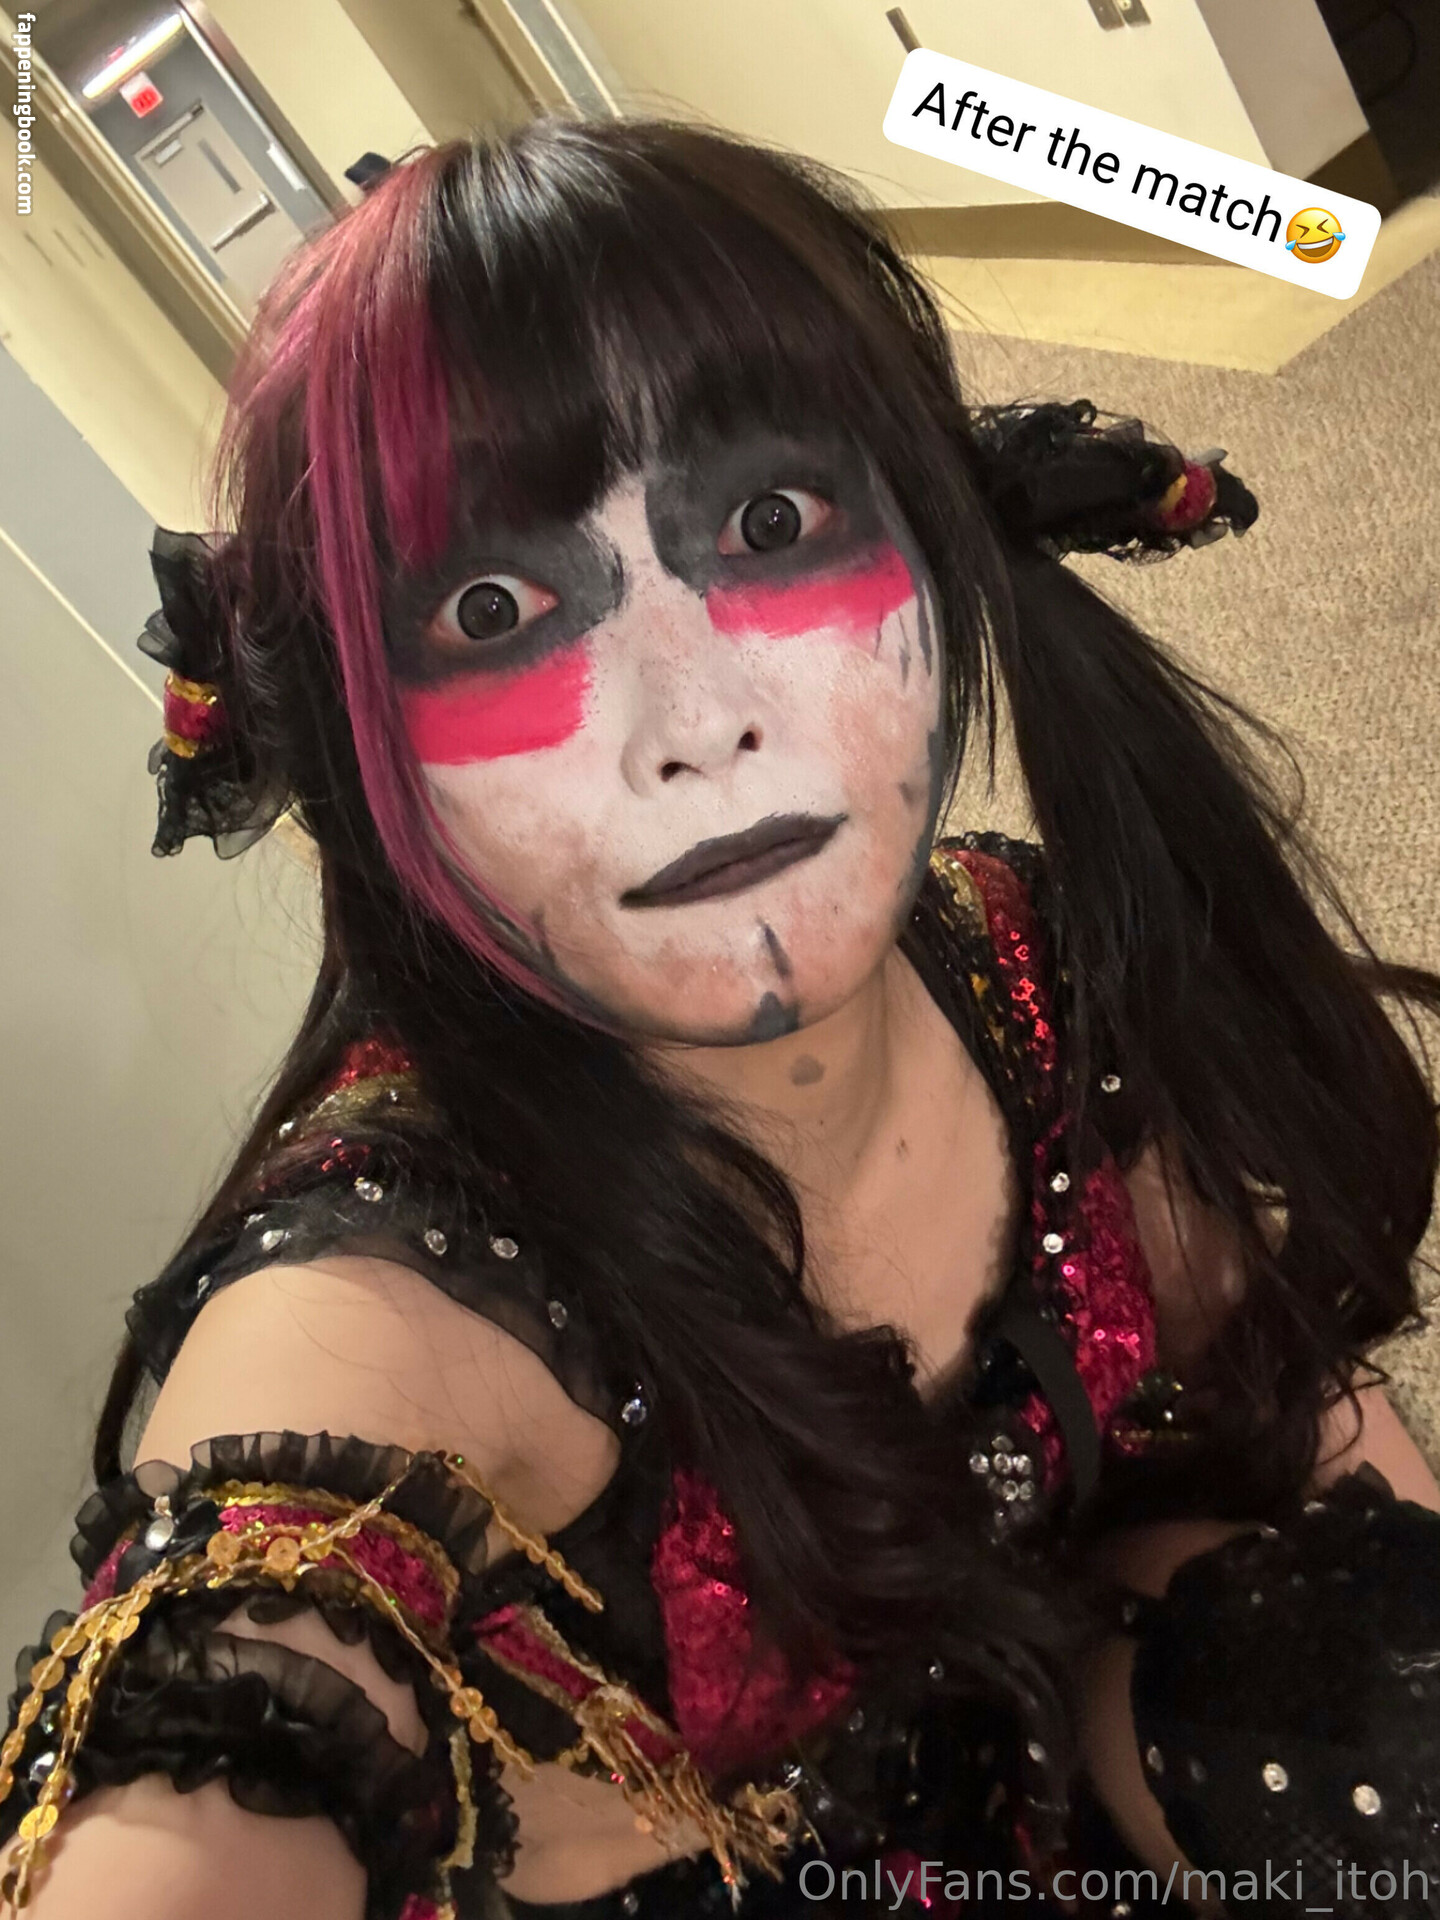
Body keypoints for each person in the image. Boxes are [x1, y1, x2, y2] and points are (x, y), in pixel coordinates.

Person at [3, 119, 1439, 1920]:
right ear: (373, 771)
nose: (695, 721)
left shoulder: (1023, 955)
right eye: (495, 609)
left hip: (1067, 1723)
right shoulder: (393, 1307)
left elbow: (1294, 1413)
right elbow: (211, 1760)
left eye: (771, 525)